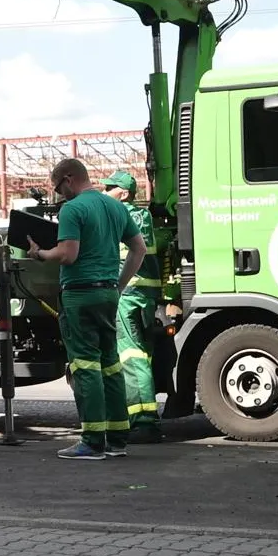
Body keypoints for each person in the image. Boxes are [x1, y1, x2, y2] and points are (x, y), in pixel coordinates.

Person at [25, 157, 147, 460]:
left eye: (58, 188)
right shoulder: (117, 207)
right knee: (111, 364)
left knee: (86, 366)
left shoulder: (73, 209)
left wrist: (39, 253)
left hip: (80, 295)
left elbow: (68, 254)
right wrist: (118, 285)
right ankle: (117, 439)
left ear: (68, 179)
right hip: (107, 293)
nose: (59, 195)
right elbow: (139, 249)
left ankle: (92, 442)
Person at [101, 170, 168, 444]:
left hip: (127, 292)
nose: (105, 192)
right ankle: (143, 418)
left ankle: (143, 421)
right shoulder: (145, 217)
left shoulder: (117, 215)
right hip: (146, 294)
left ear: (124, 194)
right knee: (143, 356)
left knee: (130, 356)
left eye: (110, 188)